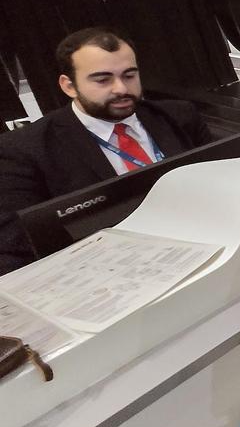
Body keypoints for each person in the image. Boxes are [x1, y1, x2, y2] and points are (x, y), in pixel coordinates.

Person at [0, 28, 213, 275]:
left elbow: (220, 178)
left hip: (201, 240)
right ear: (69, 86)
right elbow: (16, 248)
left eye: (129, 75)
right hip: (106, 270)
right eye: (103, 80)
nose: (121, 88)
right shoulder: (25, 150)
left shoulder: (179, 116)